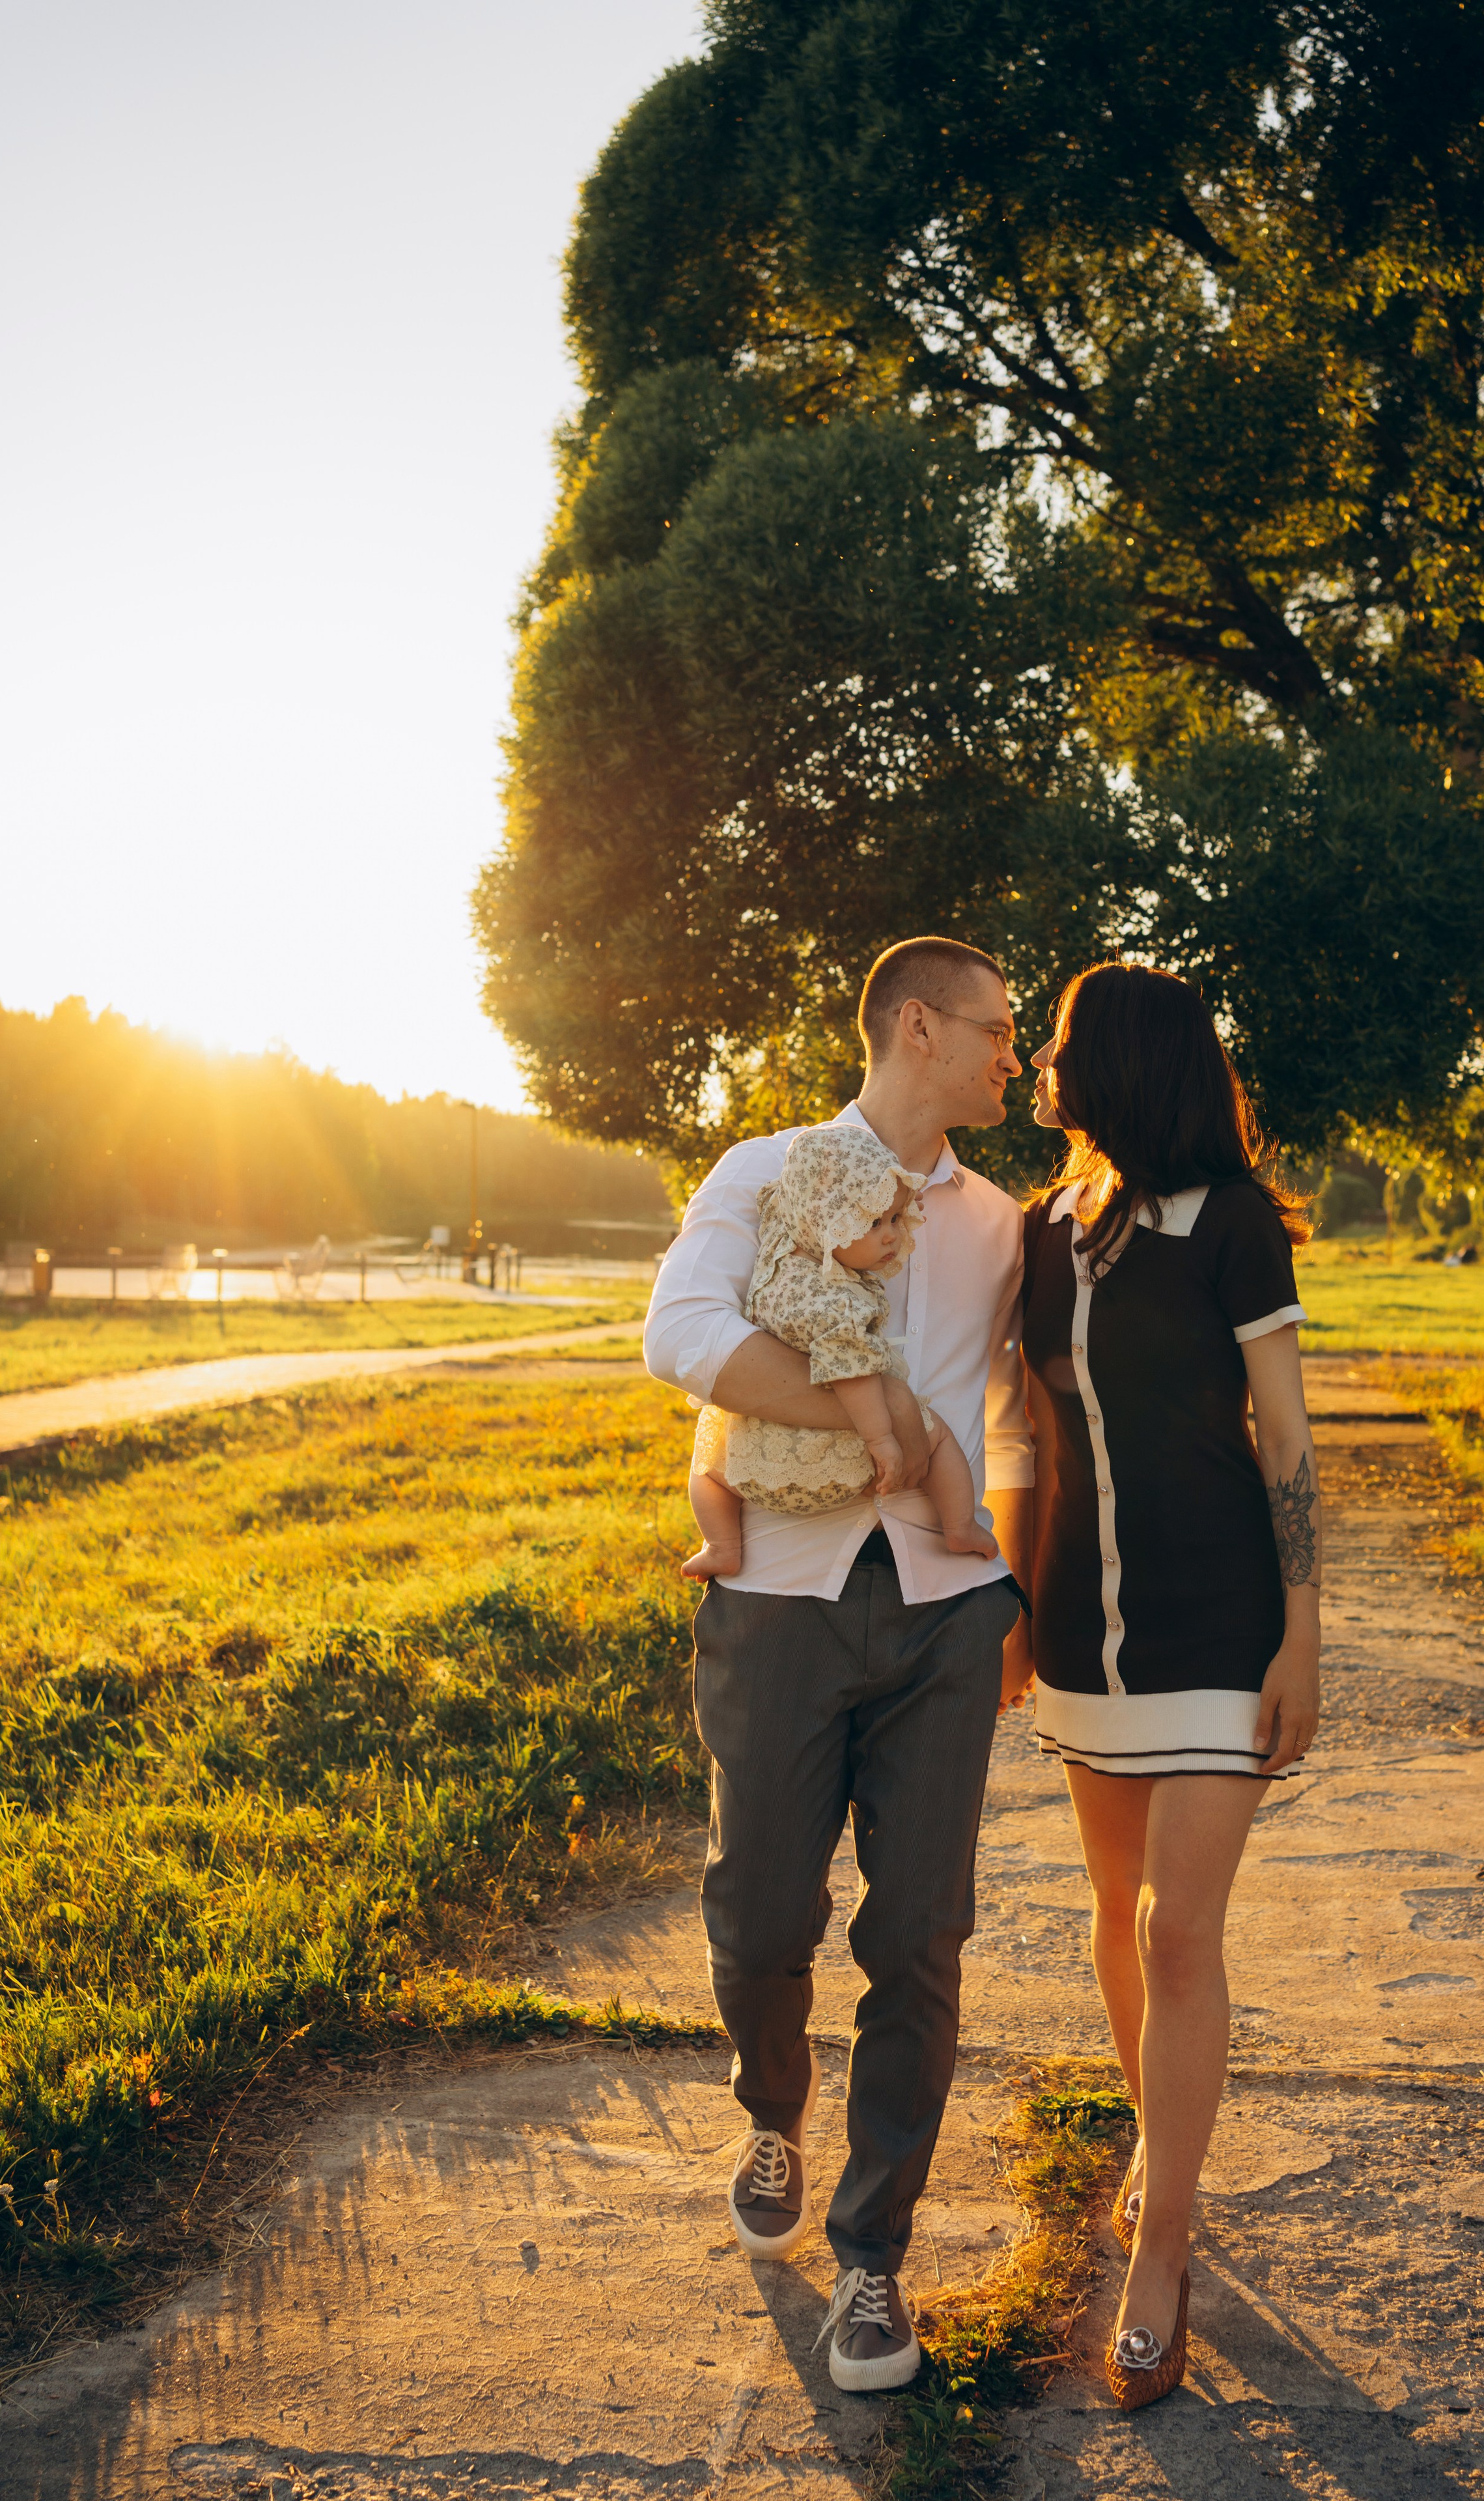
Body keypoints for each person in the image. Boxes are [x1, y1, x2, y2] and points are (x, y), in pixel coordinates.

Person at [643, 935, 1034, 2393]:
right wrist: (886, 1427)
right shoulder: (765, 1169)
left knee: (919, 1935)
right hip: (778, 1596)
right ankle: (769, 2103)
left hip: (943, 1611)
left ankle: (872, 2263)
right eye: (995, 1029)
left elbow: (1034, 1408)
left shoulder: (1001, 1225)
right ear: (916, 1028)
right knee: (757, 1917)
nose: (1013, 1056)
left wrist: (1007, 1575)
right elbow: (680, 1334)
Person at [1011, 961, 1321, 2412]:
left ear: (1123, 1063)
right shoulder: (1040, 1231)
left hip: (1216, 1628)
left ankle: (1168, 2246)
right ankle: (1156, 2144)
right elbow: (1028, 1434)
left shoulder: (1231, 1226)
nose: (1041, 1065)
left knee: (1174, 1925)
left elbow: (1284, 1443)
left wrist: (1303, 1633)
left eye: (1062, 1045)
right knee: (1114, 1924)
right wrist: (1013, 1609)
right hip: (1080, 1632)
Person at [682, 1125, 998, 1580]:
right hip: (839, 1462)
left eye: (894, 1219)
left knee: (706, 1465)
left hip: (754, 1462)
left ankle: (721, 1544)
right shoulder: (836, 1300)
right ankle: (961, 1526)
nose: (891, 1235)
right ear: (827, 1222)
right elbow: (853, 1374)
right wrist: (882, 1439)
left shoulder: (780, 1259)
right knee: (943, 1440)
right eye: (872, 1223)